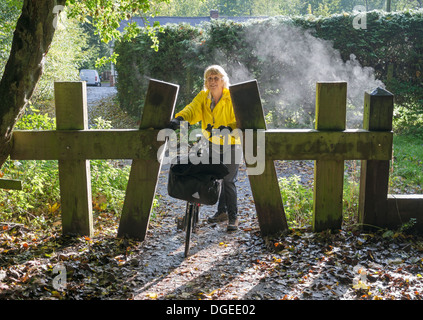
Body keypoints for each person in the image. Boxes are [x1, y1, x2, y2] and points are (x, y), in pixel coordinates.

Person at [169, 65, 241, 231]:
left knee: (228, 180)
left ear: (223, 80)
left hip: (231, 143)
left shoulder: (231, 97)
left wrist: (228, 127)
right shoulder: (204, 96)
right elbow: (192, 109)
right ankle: (207, 215)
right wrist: (179, 119)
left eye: (216, 78)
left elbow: (239, 118)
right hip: (211, 143)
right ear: (206, 82)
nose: (212, 81)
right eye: (209, 78)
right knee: (203, 177)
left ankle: (233, 217)